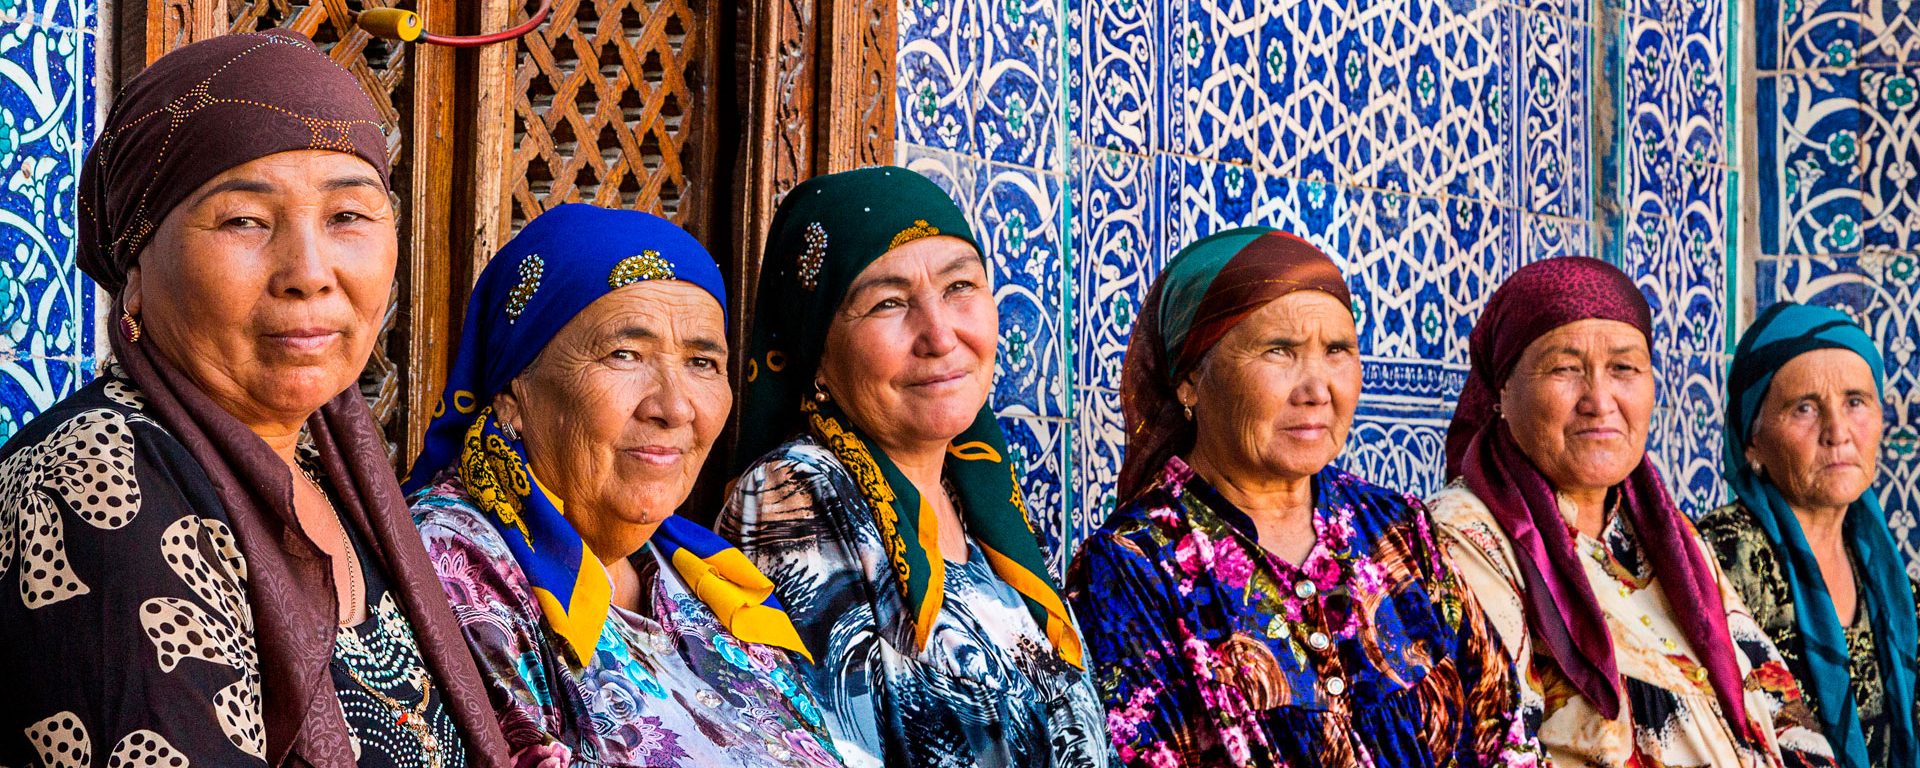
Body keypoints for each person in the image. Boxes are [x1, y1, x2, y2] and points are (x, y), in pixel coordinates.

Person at [0, 30, 510, 766]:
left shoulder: (330, 472)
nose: (309, 271)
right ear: (135, 266)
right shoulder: (95, 480)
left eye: (348, 216)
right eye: (244, 220)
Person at [1066, 226, 1539, 767]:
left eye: (1337, 351)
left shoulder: (1398, 530)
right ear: (1190, 379)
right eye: (1279, 351)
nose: (1317, 390)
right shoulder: (1132, 568)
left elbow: (1506, 732)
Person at [404, 204, 843, 768]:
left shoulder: (694, 572)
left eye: (702, 362)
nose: (675, 406)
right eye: (624, 354)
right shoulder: (454, 559)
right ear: (513, 392)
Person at [719, 166, 1106, 768]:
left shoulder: (983, 503)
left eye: (960, 287)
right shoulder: (792, 494)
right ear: (816, 353)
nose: (940, 335)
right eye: (889, 302)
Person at [1428, 256, 1835, 767]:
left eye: (1624, 368)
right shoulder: (1463, 539)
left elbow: (1779, 709)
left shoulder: (1666, 537)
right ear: (1502, 391)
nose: (1599, 400)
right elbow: (1498, 745)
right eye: (1565, 369)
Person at [1696, 301, 1918, 768]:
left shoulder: (1888, 580)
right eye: (1805, 409)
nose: (1838, 432)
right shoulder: (1719, 561)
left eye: (1855, 402)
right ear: (1752, 440)